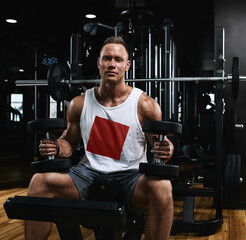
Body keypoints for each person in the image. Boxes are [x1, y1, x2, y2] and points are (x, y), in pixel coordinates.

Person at [25, 36, 175, 240]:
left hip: (131, 177)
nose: (112, 64)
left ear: (127, 65)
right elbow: (69, 141)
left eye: (118, 59)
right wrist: (57, 147)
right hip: (86, 175)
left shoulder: (144, 105)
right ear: (98, 63)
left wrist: (167, 148)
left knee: (163, 187)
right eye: (107, 58)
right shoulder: (79, 103)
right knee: (39, 182)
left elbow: (158, 144)